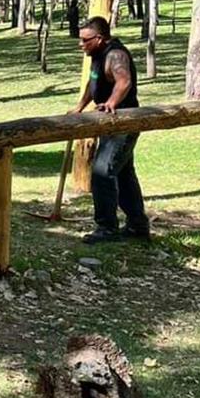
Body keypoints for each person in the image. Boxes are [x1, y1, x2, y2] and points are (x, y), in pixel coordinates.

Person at [71, 16, 150, 244]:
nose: (81, 44)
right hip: (109, 124)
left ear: (100, 38)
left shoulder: (116, 55)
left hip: (123, 122)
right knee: (124, 174)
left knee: (102, 172)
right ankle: (137, 225)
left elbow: (123, 81)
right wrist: (79, 107)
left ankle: (106, 228)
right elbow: (93, 82)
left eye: (85, 40)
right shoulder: (96, 56)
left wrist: (113, 102)